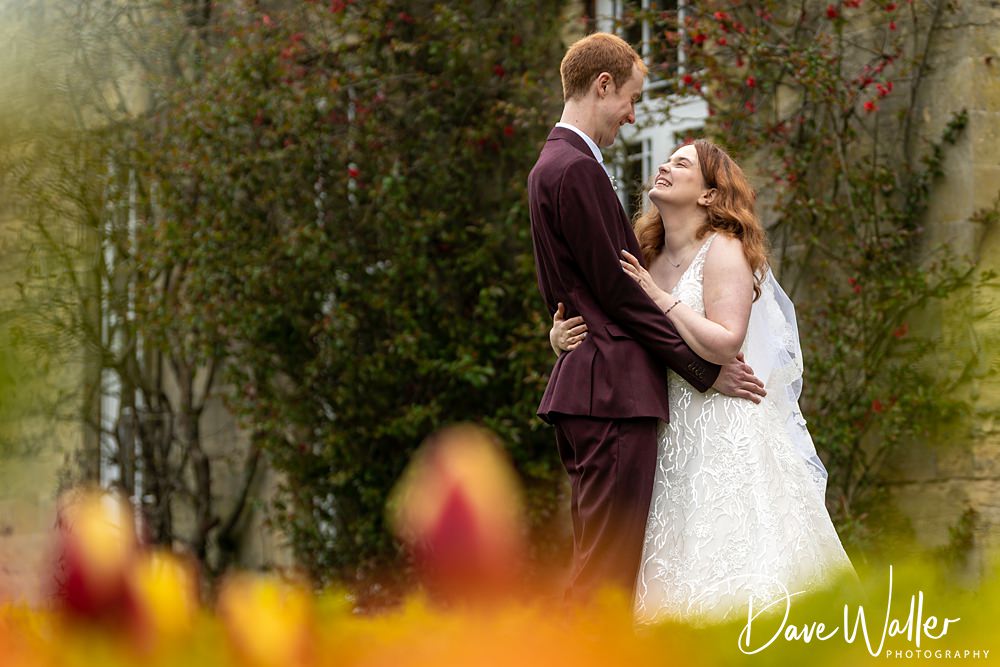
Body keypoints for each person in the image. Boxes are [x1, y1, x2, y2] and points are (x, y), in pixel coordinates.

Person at [550, 139, 855, 623]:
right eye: (667, 160)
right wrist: (558, 335)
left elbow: (726, 342)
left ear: (710, 194)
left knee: (729, 560)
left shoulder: (725, 250)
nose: (665, 166)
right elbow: (618, 322)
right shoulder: (644, 254)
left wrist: (659, 298)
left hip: (721, 425)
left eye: (681, 164)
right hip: (663, 427)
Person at [527, 33, 766, 604]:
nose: (633, 115)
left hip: (596, 388)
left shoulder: (552, 165)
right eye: (631, 99)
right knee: (606, 575)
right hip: (612, 393)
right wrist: (705, 371)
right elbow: (619, 293)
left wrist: (562, 326)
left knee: (603, 565)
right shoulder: (576, 168)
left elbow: (579, 288)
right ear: (603, 85)